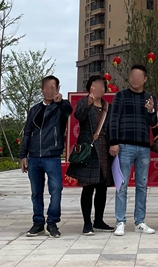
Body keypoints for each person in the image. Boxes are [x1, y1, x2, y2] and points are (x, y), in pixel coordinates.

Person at [108, 64, 158, 236]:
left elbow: (153, 122)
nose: (134, 79)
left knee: (142, 185)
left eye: (138, 77)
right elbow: (114, 119)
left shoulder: (150, 97)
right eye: (132, 76)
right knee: (122, 185)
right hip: (124, 146)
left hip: (144, 147)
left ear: (144, 79)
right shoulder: (121, 96)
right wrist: (114, 142)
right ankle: (120, 221)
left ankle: (140, 221)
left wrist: (151, 110)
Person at [20, 75, 73, 238]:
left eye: (54, 87)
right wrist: (23, 154)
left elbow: (69, 111)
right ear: (42, 89)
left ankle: (52, 222)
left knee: (56, 190)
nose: (51, 91)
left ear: (58, 89)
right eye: (48, 87)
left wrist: (60, 102)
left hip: (52, 156)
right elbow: (27, 132)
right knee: (36, 192)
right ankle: (38, 223)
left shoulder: (61, 107)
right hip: (34, 157)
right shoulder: (34, 110)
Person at [67, 74, 115, 235]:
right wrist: (88, 102)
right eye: (95, 85)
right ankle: (87, 223)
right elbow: (78, 116)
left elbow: (112, 128)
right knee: (88, 188)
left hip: (104, 150)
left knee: (102, 188)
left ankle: (99, 220)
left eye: (102, 85)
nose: (99, 88)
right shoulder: (83, 102)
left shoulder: (108, 107)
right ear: (90, 87)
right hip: (89, 150)